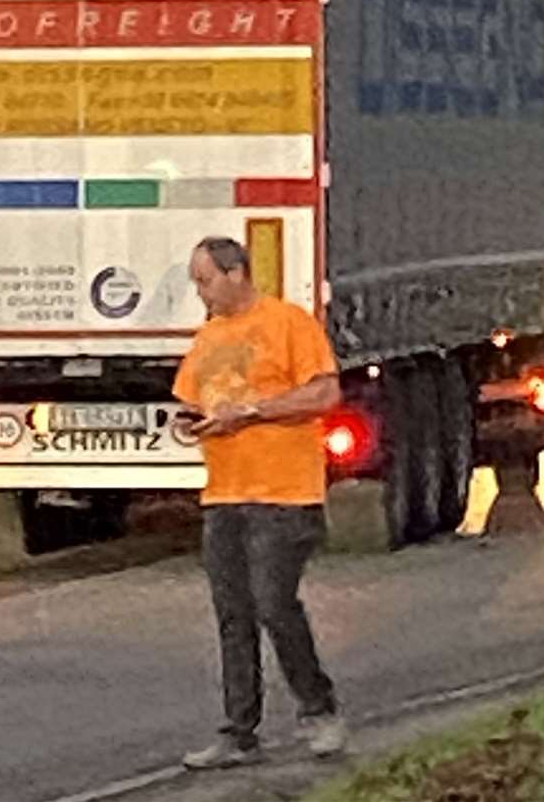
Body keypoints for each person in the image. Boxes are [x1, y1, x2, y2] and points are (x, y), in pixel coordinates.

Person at [174, 236, 346, 769]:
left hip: (285, 492)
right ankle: (238, 731)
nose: (200, 291)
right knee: (234, 614)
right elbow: (190, 399)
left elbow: (324, 394)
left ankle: (319, 709)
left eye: (205, 279)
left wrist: (252, 412)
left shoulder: (288, 323)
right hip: (225, 492)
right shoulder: (208, 337)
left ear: (237, 273)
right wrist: (188, 422)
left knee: (274, 603)